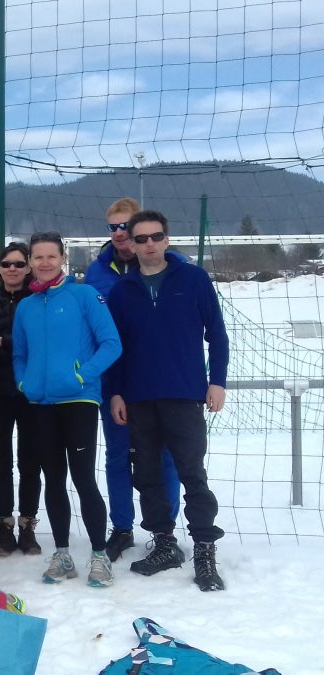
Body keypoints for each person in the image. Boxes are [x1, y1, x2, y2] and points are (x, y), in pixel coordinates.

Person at [107, 210, 230, 592]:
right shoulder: (122, 291)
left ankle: (205, 549)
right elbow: (115, 349)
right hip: (140, 397)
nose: (148, 245)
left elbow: (218, 335)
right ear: (132, 243)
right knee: (147, 476)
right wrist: (115, 392)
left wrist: (217, 382)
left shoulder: (192, 279)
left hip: (184, 393)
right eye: (140, 239)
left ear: (167, 239)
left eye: (155, 237)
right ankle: (164, 543)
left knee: (192, 472)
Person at [12, 232, 121, 587]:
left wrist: (80, 376)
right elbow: (20, 354)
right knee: (53, 479)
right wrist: (24, 382)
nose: (44, 263)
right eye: (37, 257)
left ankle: (100, 555)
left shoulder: (83, 295)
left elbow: (111, 344)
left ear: (62, 258)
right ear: (30, 262)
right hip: (40, 404)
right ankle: (62, 554)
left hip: (78, 401)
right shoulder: (26, 306)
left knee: (83, 478)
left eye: (51, 256)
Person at [84, 198, 180, 561]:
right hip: (116, 381)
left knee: (166, 456)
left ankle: (165, 531)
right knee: (117, 456)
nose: (120, 233)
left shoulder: (176, 266)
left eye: (126, 226)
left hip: (161, 379)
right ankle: (121, 527)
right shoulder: (97, 272)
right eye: (113, 227)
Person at [0, 242, 42, 557]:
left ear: (28, 267)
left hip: (31, 393)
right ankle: (4, 526)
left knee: (31, 460)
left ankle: (27, 524)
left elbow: (37, 344)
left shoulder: (37, 302)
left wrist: (2, 341)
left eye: (19, 264)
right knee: (0, 461)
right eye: (6, 264)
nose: (12, 269)